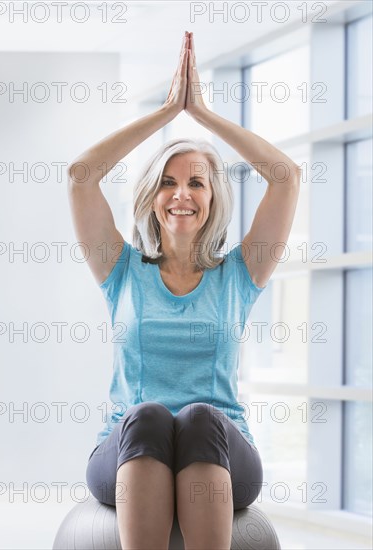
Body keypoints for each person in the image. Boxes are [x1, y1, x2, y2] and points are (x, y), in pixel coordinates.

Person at [67, 31, 301, 550]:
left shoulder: (240, 273)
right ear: (152, 196)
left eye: (197, 182)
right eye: (168, 183)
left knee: (199, 416)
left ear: (213, 195)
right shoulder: (121, 270)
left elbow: (285, 176)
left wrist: (204, 115)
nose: (181, 195)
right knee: (147, 416)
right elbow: (82, 175)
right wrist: (169, 111)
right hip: (129, 449)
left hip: (219, 448)